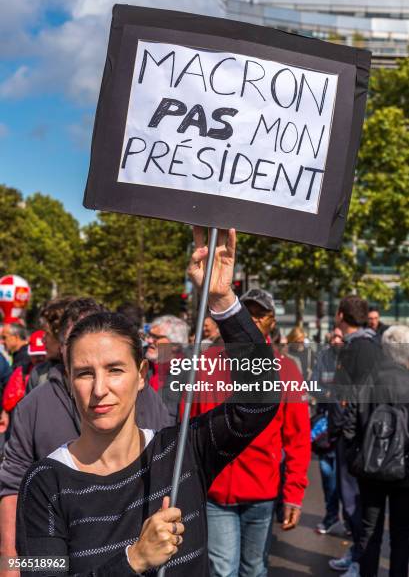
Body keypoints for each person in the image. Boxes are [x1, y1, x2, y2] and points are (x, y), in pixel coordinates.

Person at [17, 228, 281, 576]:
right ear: (67, 379)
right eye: (84, 373)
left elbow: (260, 400)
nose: (100, 389)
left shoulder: (181, 451)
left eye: (115, 370)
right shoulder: (44, 482)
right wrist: (134, 560)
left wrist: (221, 301)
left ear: (142, 374)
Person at [0, 297, 173, 573]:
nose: (99, 388)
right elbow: (12, 485)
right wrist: (9, 561)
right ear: (63, 345)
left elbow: (168, 457)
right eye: (77, 338)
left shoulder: (145, 398)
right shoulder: (33, 405)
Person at [191, 288, 310, 577]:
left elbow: (298, 436)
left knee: (255, 569)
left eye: (261, 314)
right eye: (247, 313)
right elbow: (192, 424)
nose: (253, 320)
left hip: (261, 491)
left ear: (272, 322)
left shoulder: (286, 370)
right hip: (216, 491)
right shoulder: (207, 364)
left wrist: (294, 492)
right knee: (222, 570)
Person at [343, 325, 409, 577]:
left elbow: (349, 424)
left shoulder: (368, 380)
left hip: (370, 469)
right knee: (402, 535)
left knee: (370, 532)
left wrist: (356, 457)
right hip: (404, 472)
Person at [328, 295, 381, 577]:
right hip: (363, 434)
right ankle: (358, 556)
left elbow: (346, 397)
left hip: (353, 438)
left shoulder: (354, 349)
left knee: (352, 502)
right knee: (356, 502)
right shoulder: (372, 345)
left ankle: (360, 559)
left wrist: (340, 430)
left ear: (340, 316)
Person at [311, 328, 344, 534]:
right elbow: (312, 384)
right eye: (334, 336)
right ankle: (331, 515)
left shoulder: (352, 359)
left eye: (341, 337)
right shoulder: (324, 357)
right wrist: (329, 393)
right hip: (325, 423)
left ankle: (350, 517)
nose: (337, 340)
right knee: (326, 472)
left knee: (346, 478)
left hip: (344, 427)